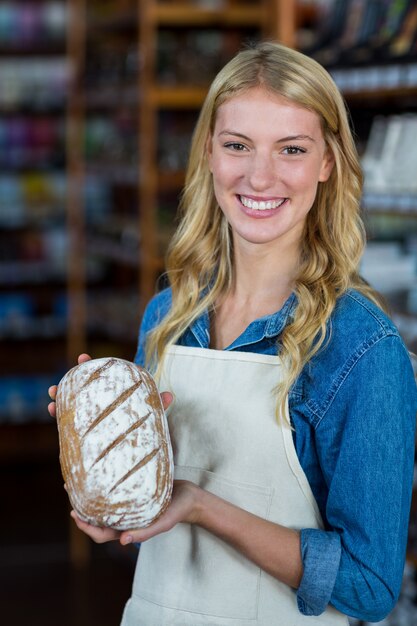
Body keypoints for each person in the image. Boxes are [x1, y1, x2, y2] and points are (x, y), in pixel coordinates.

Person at [49, 41, 417, 624]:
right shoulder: (167, 316)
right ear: (211, 155)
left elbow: (370, 588)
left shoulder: (362, 349)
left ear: (327, 163)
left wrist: (201, 507)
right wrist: (103, 455)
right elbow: (153, 529)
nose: (259, 176)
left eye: (291, 149)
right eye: (237, 145)